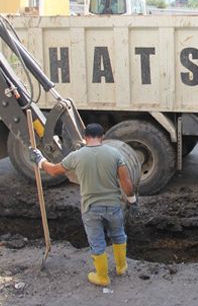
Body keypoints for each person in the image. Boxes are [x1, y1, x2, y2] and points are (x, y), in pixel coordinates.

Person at [29, 123, 135, 287]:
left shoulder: (76, 156)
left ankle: (102, 277)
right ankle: (121, 268)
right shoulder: (115, 154)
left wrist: (39, 159)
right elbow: (126, 182)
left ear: (85, 138)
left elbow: (53, 171)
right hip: (113, 205)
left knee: (97, 242)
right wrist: (131, 199)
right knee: (119, 235)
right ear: (103, 137)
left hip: (91, 208)